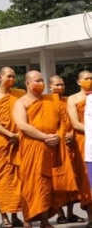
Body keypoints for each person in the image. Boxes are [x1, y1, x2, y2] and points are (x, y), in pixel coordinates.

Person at [13, 70, 78, 228]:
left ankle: (44, 221)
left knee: (48, 185)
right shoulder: (21, 103)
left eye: (42, 80)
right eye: (37, 80)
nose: (41, 83)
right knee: (32, 185)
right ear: (27, 83)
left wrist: (58, 136)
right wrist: (44, 137)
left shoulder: (50, 100)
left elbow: (62, 121)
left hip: (52, 147)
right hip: (32, 147)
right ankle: (28, 220)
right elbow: (22, 125)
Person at [0, 67, 25, 228]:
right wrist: (10, 134)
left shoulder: (19, 94)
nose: (11, 79)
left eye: (13, 76)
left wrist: (18, 134)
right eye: (8, 76)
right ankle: (4, 217)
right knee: (3, 181)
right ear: (0, 77)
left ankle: (15, 215)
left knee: (18, 181)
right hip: (3, 142)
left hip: (19, 141)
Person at [49, 75, 84, 224]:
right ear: (50, 87)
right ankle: (60, 213)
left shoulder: (69, 101)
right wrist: (60, 136)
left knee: (73, 180)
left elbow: (74, 121)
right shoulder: (46, 103)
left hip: (72, 145)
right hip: (56, 147)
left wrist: (71, 134)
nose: (60, 88)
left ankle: (70, 213)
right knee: (58, 182)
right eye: (56, 85)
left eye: (62, 85)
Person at [67, 70, 92, 226]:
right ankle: (91, 216)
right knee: (85, 178)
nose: (89, 80)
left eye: (91, 78)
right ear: (78, 81)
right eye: (86, 78)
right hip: (83, 141)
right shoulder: (73, 99)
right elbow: (75, 123)